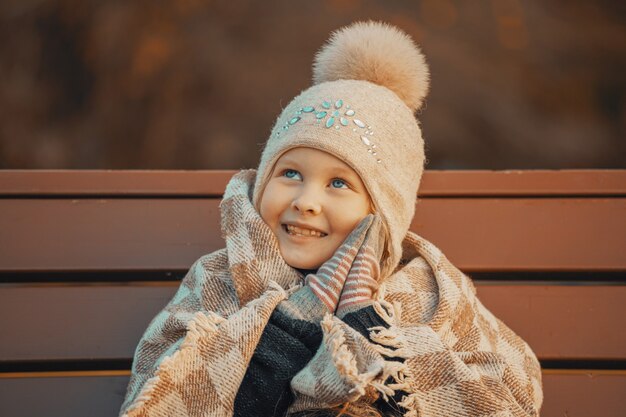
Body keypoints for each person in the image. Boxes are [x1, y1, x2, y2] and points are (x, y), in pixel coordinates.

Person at [119, 21, 543, 417]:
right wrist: (291, 327)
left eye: (339, 184)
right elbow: (158, 395)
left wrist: (366, 325)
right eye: (290, 174)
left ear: (383, 211)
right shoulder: (218, 280)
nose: (306, 201)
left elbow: (512, 397)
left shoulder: (431, 293)